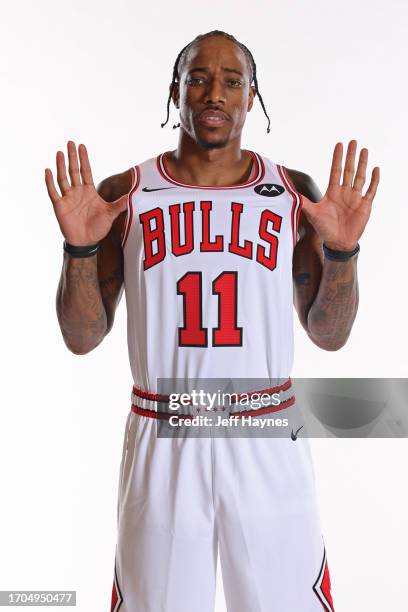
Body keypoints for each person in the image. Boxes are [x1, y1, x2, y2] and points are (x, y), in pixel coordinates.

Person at [45, 30, 379, 612]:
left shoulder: (293, 194)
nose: (213, 93)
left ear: (253, 97)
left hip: (266, 425)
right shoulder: (126, 193)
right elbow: (81, 338)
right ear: (175, 92)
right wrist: (77, 251)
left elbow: (329, 336)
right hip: (164, 424)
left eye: (231, 81)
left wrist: (344, 255)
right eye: (197, 78)